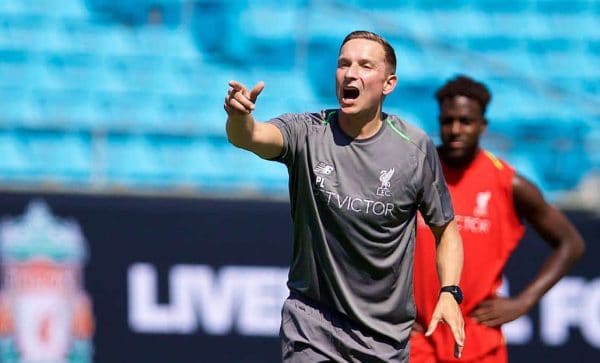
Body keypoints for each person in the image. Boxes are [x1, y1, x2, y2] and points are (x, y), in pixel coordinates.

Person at [224, 30, 465, 362]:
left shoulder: (414, 148)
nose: (351, 73)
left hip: (385, 337)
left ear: (388, 84)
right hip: (312, 325)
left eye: (365, 65)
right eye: (343, 64)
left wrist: (450, 292)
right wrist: (239, 118)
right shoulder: (307, 131)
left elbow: (446, 229)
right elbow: (250, 137)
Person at [410, 75, 586, 363]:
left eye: (465, 121)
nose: (455, 130)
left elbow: (571, 243)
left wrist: (524, 301)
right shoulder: (415, 173)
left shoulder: (508, 183)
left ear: (482, 126)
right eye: (447, 121)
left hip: (478, 344)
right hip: (416, 341)